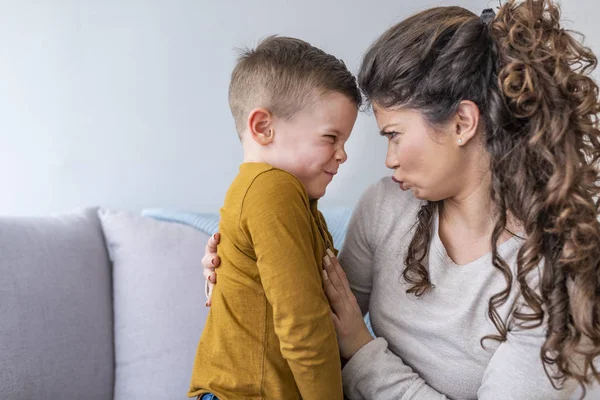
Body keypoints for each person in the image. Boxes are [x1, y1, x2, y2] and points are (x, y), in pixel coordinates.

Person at [204, 0, 600, 398]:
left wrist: (362, 350)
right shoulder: (386, 206)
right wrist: (243, 264)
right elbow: (309, 316)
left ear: (462, 123)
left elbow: (343, 339)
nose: (389, 159)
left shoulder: (552, 269)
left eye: (394, 134)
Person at [188, 36, 361, 400]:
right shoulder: (273, 191)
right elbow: (304, 323)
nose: (342, 155)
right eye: (331, 137)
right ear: (264, 128)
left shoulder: (280, 194)